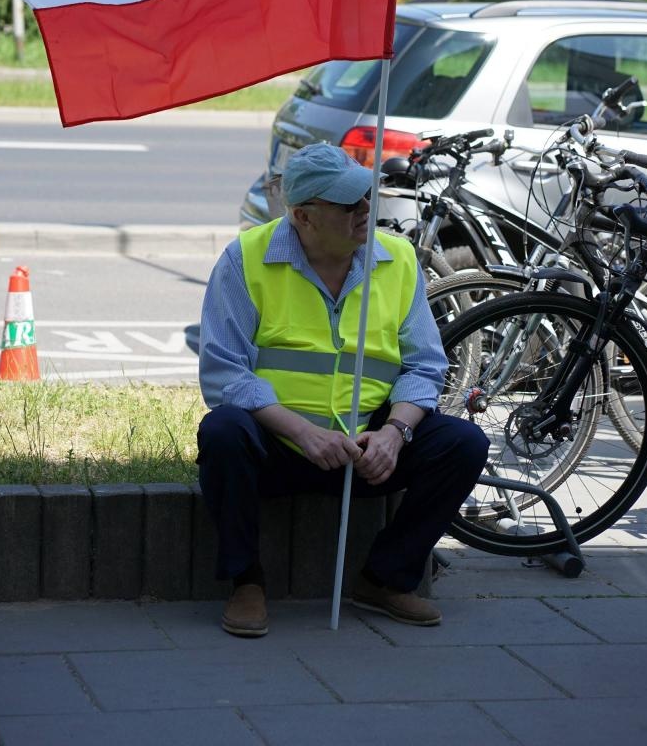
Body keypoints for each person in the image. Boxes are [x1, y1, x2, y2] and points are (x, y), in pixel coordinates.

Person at [197, 142, 489, 637]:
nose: (364, 211)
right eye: (347, 203)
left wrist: (395, 433)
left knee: (464, 444)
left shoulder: (396, 259)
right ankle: (246, 582)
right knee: (222, 431)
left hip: (368, 445)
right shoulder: (244, 259)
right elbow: (224, 374)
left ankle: (385, 579)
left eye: (366, 197)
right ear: (303, 218)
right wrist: (303, 433)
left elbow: (425, 365)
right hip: (280, 444)